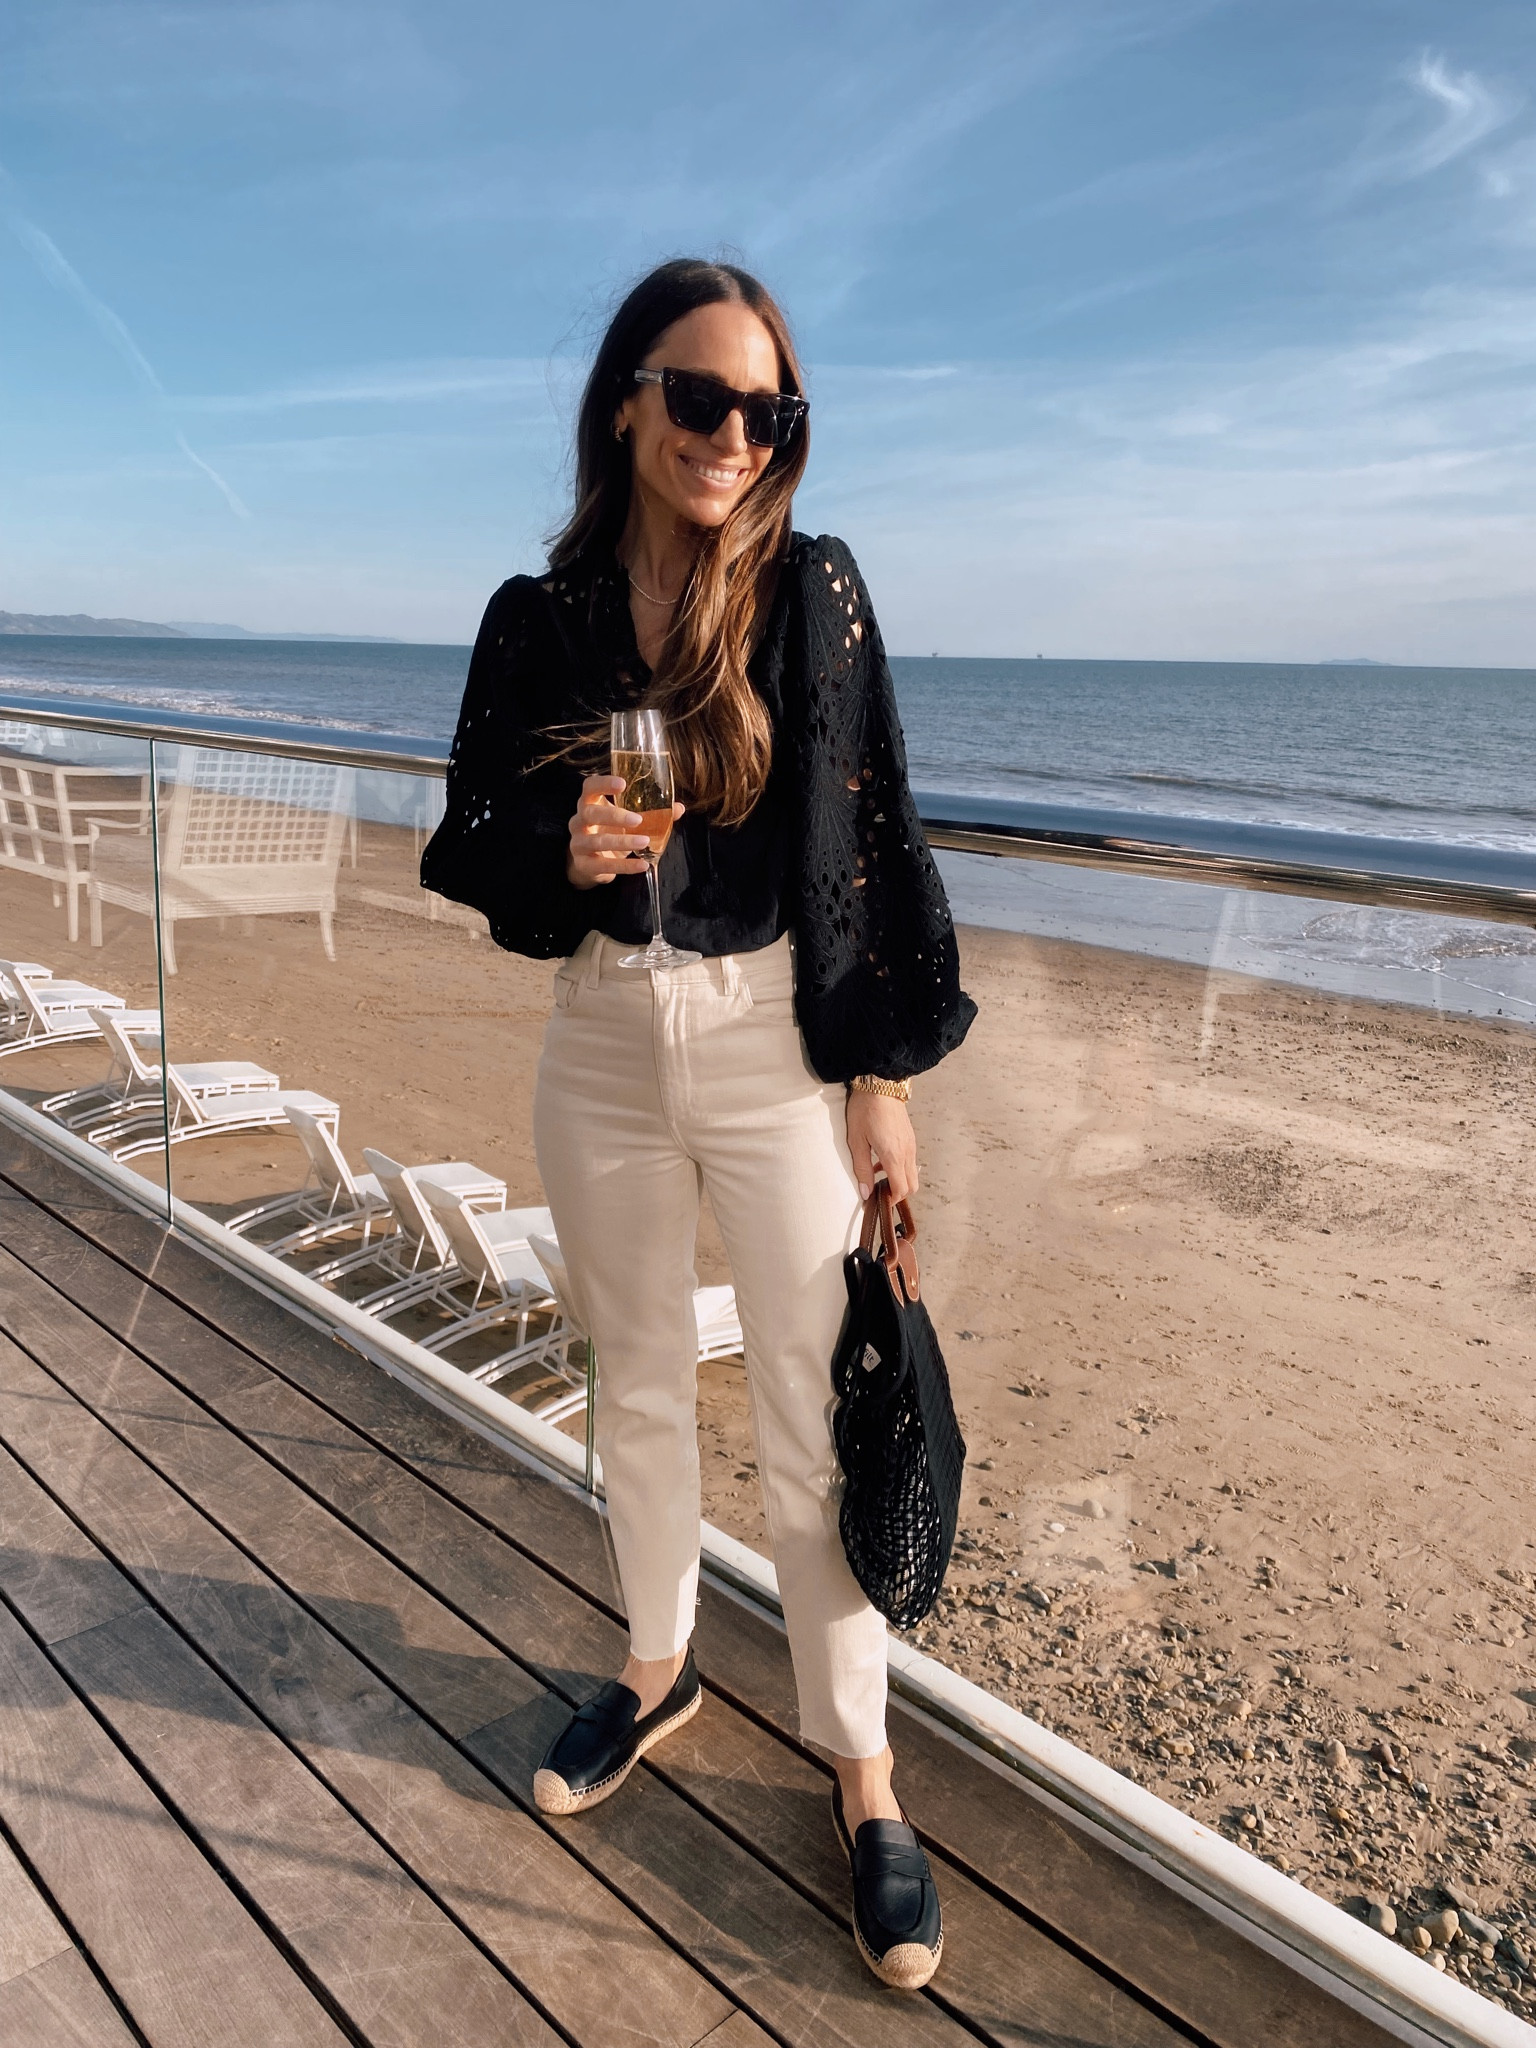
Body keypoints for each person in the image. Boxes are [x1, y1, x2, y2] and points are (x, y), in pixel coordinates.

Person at [423, 257, 974, 1991]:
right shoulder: (542, 614)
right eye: (704, 398)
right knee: (638, 1387)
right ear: (625, 402)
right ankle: (655, 1669)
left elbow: (873, 842)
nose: (738, 435)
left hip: (768, 1053)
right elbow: (471, 844)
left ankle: (864, 1770)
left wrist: (881, 1084)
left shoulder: (813, 594)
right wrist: (561, 854)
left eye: (770, 410)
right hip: (598, 1042)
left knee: (817, 1415)